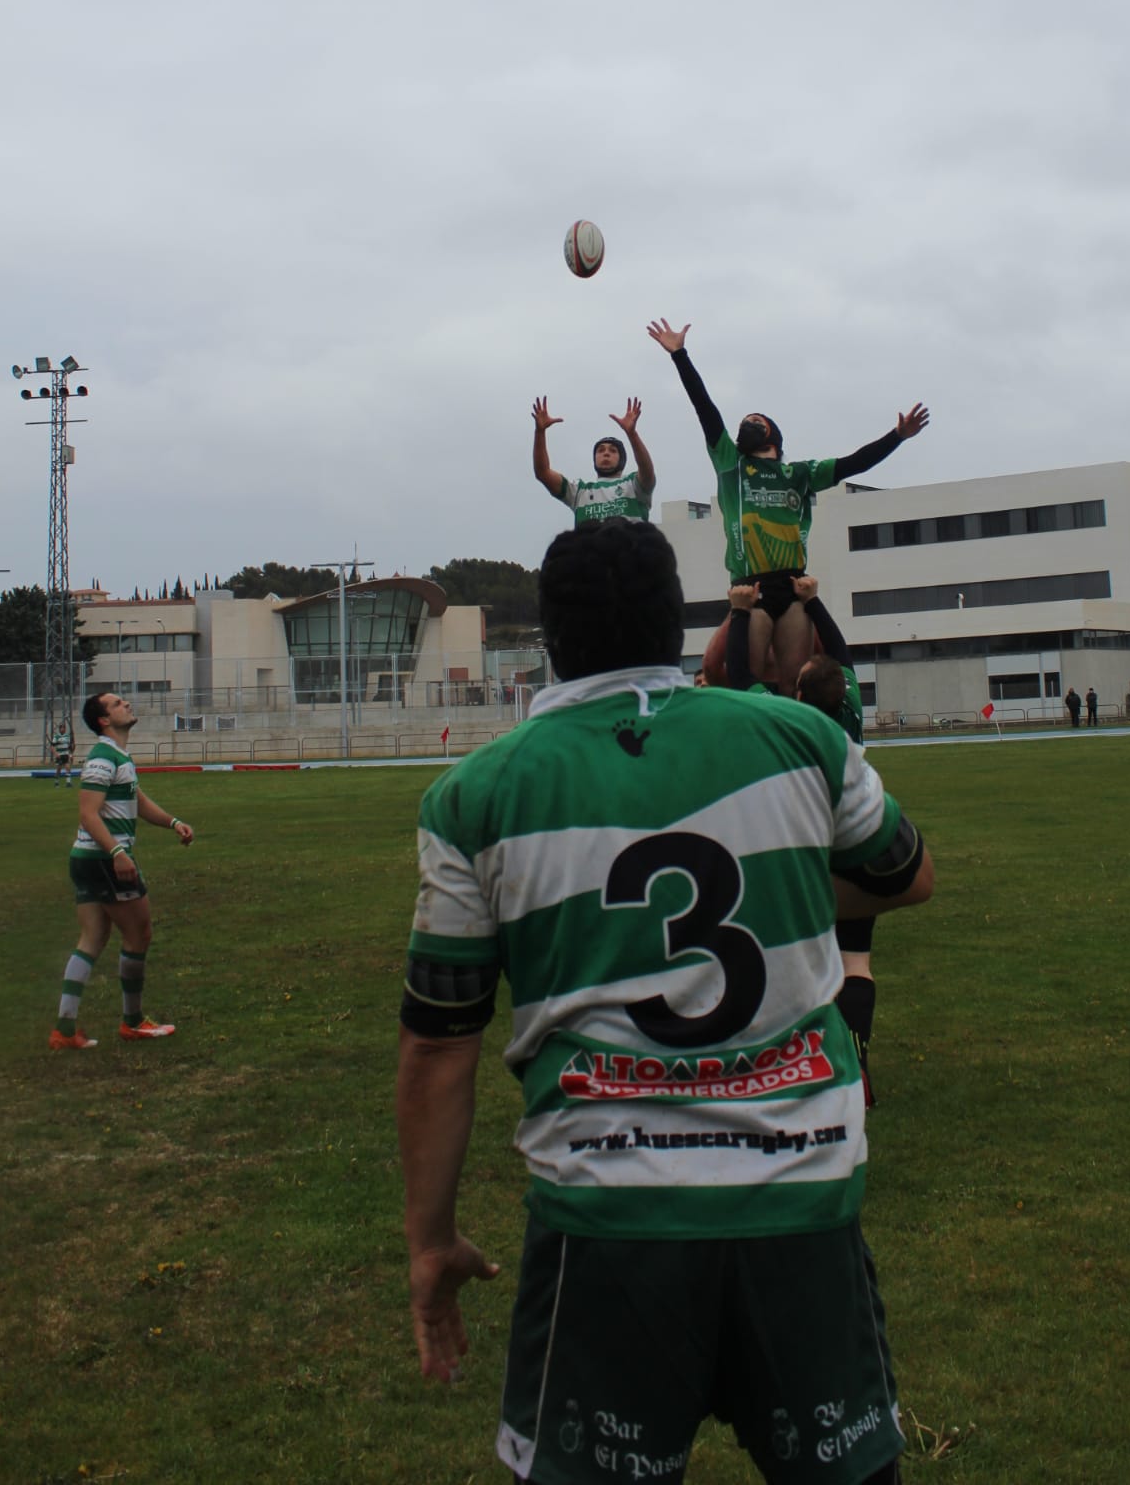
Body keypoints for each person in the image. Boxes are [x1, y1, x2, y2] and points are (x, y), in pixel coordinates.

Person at [397, 520, 934, 1484]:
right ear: (673, 627)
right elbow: (907, 875)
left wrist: (430, 1243)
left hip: (608, 1226)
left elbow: (441, 1043)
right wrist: (792, 890)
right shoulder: (798, 736)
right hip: (798, 1206)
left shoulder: (475, 795)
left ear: (551, 638)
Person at [647, 318, 928, 696]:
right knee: (746, 677)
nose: (746, 422)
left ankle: (799, 741)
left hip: (795, 586)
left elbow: (853, 463)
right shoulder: (732, 465)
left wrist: (897, 436)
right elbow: (705, 409)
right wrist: (680, 355)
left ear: (774, 438)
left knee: (797, 682)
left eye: (754, 421)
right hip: (751, 587)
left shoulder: (798, 473)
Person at [725, 577, 885, 1108]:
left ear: (797, 692)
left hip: (809, 848)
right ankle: (857, 1061)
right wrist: (813, 600)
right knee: (856, 961)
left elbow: (741, 675)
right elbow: (838, 653)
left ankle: (802, 1065)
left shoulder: (789, 721)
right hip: (860, 839)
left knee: (799, 961)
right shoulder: (852, 703)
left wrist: (741, 611)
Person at [50, 691, 194, 1051]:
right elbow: (88, 812)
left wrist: (173, 822)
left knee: (93, 938)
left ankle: (64, 1030)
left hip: (86, 859)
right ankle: (133, 1022)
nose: (126, 704)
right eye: (116, 704)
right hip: (103, 859)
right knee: (139, 934)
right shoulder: (102, 756)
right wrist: (116, 851)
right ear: (103, 720)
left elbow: (137, 800)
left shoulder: (118, 756)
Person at [532, 395, 656, 525]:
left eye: (613, 450)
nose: (606, 453)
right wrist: (539, 432)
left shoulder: (633, 485)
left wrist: (632, 434)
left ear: (622, 459)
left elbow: (647, 471)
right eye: (601, 450)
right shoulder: (579, 492)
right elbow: (542, 473)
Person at [51, 717, 74, 786]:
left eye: (63, 728)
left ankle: (68, 783)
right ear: (59, 729)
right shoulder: (56, 736)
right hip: (59, 755)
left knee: (68, 768)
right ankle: (56, 782)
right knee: (59, 769)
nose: (62, 729)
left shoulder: (67, 736)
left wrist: (71, 754)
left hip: (65, 754)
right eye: (61, 728)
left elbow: (69, 747)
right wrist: (55, 754)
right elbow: (52, 746)